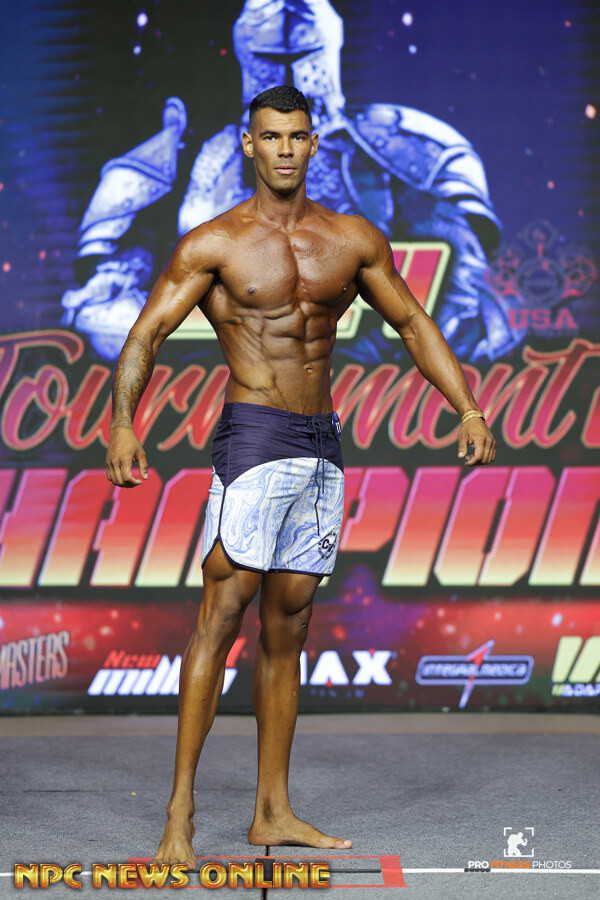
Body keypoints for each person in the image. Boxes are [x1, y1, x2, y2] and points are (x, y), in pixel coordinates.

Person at [105, 85, 496, 866]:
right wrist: (122, 421)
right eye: (271, 136)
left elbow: (412, 321)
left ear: (314, 144)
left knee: (289, 626)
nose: (284, 149)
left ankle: (272, 811)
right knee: (221, 615)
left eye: (296, 136)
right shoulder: (214, 244)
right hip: (253, 435)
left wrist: (468, 407)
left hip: (321, 443)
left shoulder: (351, 239)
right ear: (248, 144)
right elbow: (146, 333)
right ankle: (179, 814)